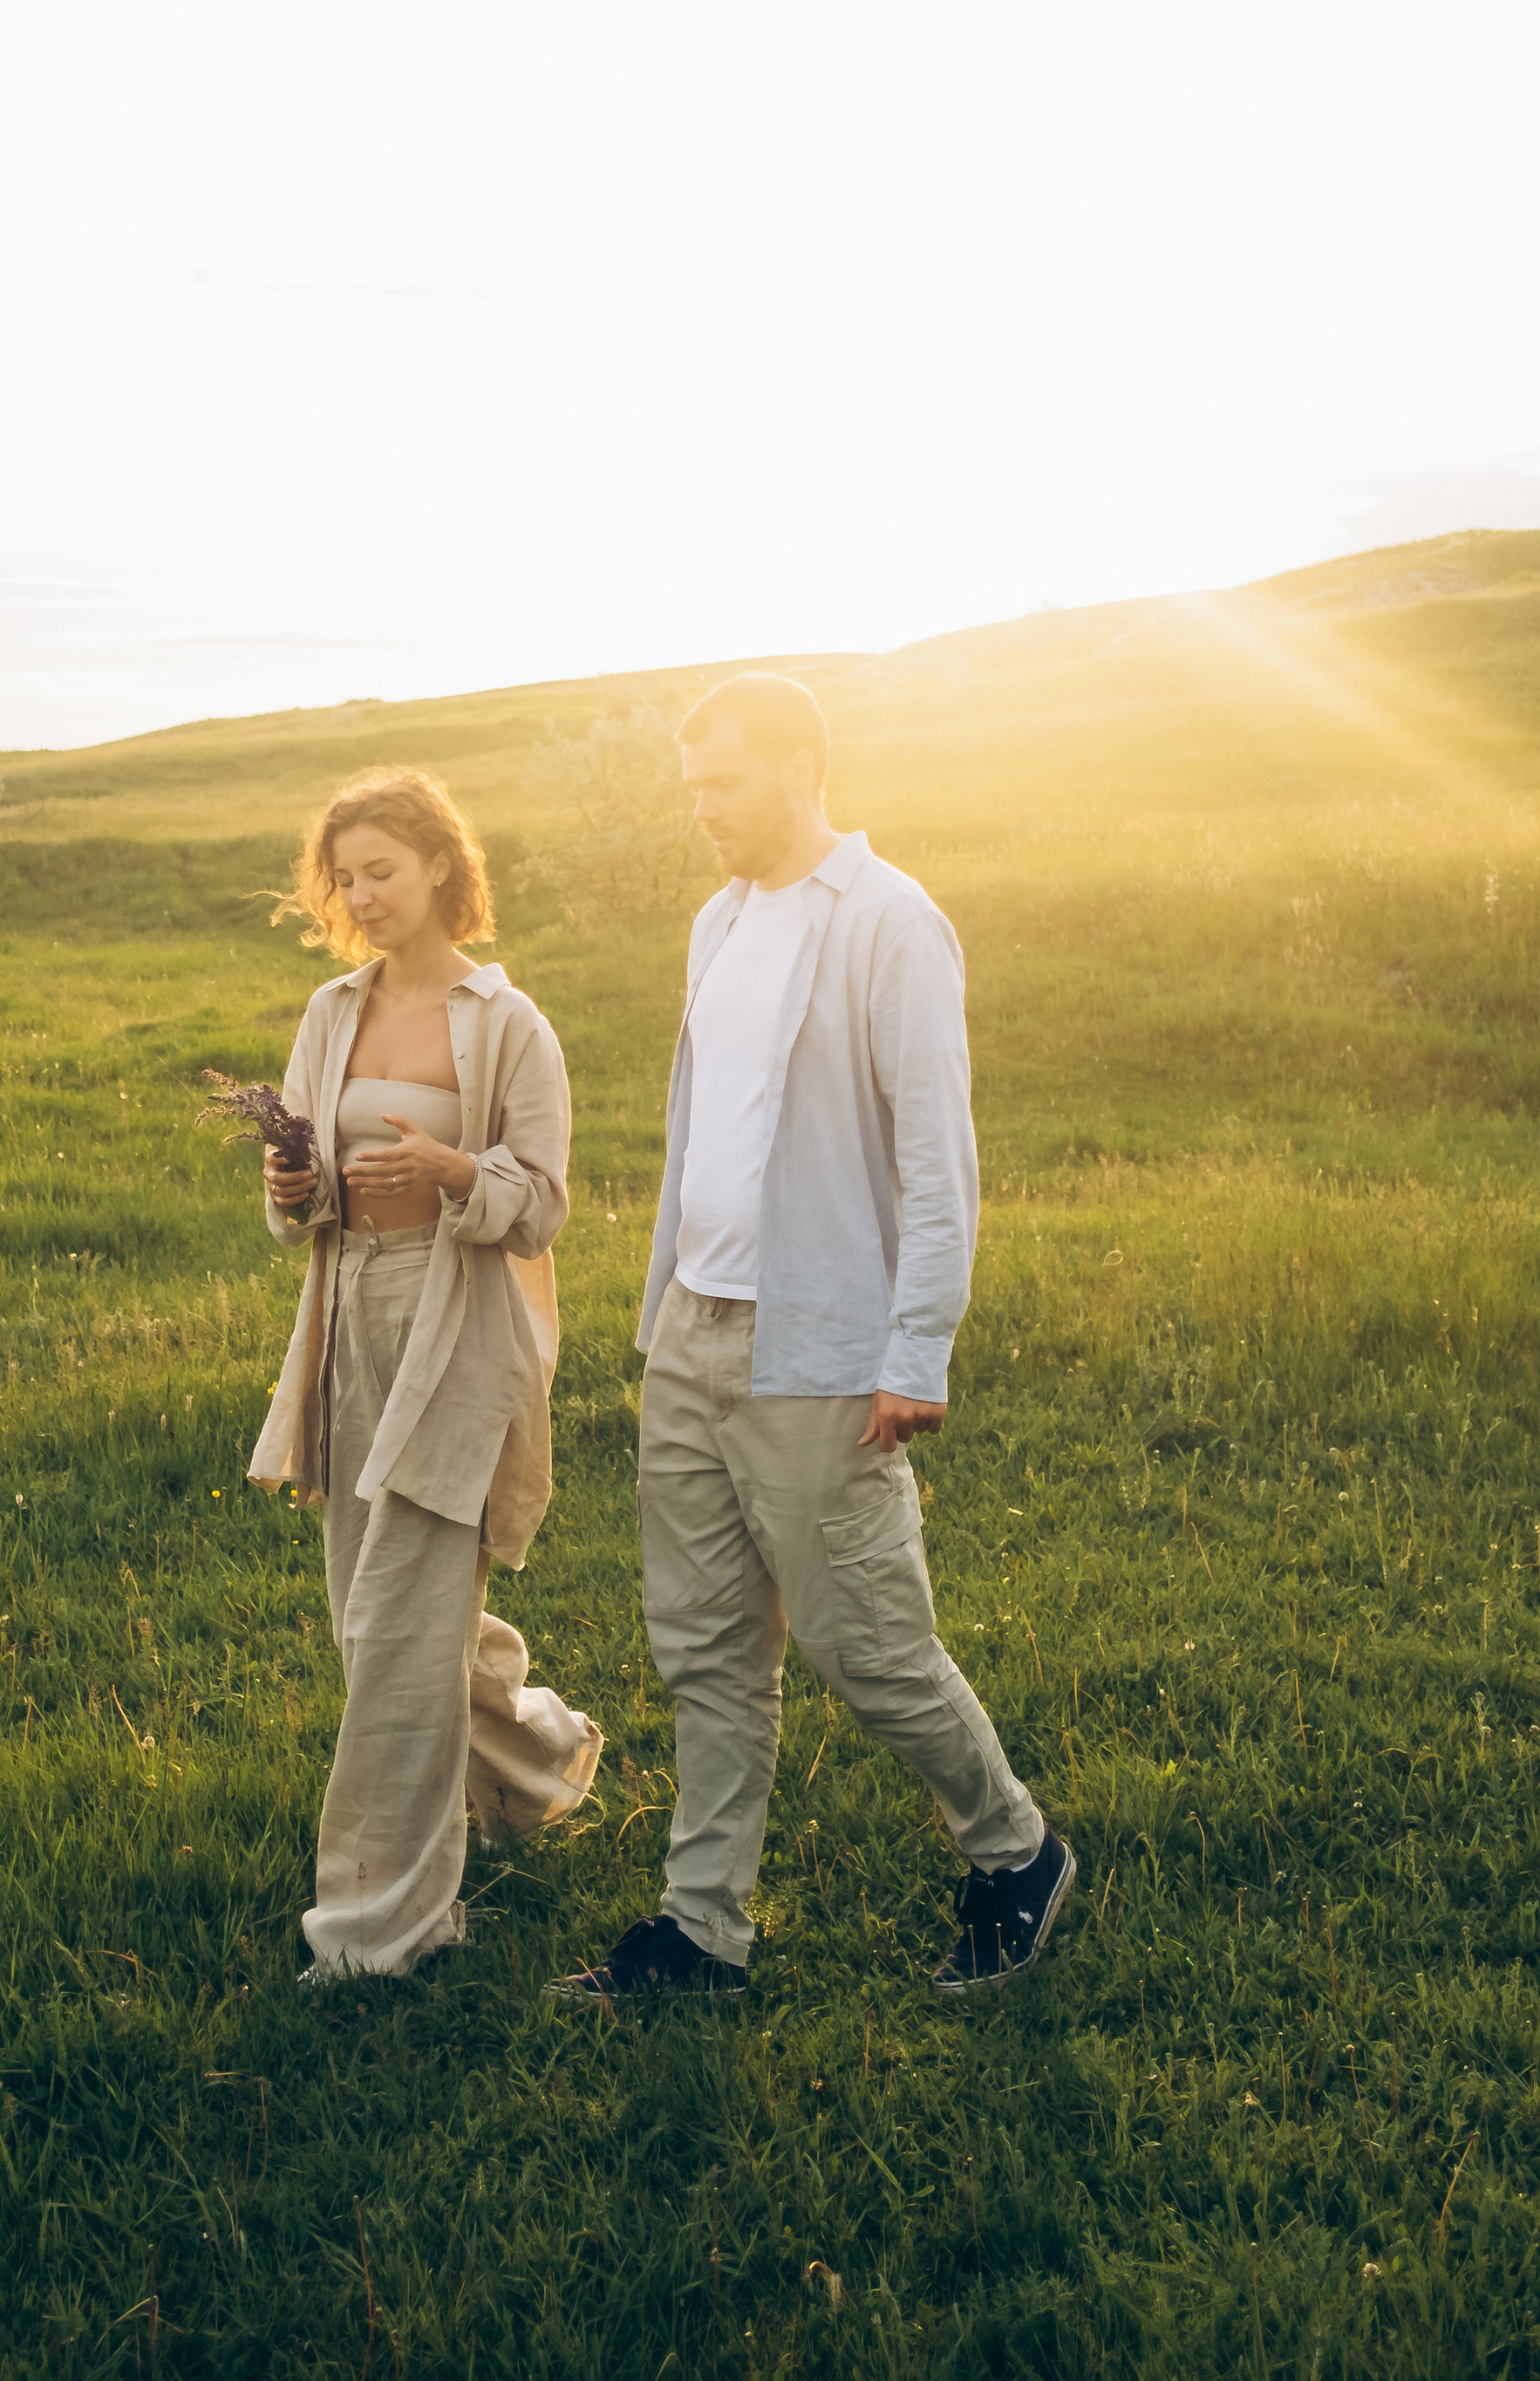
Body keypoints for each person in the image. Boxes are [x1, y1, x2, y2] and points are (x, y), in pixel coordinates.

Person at [553, 675, 1072, 2006]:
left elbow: (937, 1160)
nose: (703, 812)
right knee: (709, 1652)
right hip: (693, 1337)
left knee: (868, 1643)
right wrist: (664, 1312)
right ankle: (701, 1935)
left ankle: (1016, 1853)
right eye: (693, 791)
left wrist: (917, 1349)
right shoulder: (717, 922)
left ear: (799, 767)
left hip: (821, 1348)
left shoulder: (893, 923)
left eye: (722, 784)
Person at [249, 764, 603, 1981]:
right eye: (345, 877)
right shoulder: (330, 1010)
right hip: (352, 1320)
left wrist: (454, 1175)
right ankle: (538, 1759)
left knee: (398, 1626)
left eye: (382, 871)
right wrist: (295, 1192)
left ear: (442, 868)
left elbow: (543, 1206)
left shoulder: (509, 1023)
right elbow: (296, 1194)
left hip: (460, 1328)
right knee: (379, 1617)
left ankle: (378, 1931)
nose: (361, 895)